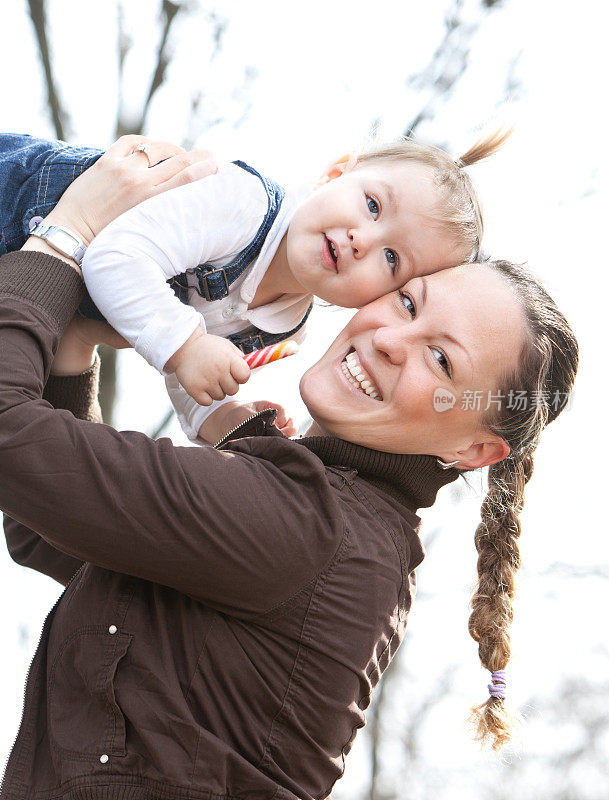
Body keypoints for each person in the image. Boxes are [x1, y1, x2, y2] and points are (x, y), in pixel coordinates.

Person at [0, 143, 577, 800]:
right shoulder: (340, 523)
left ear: (474, 451)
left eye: (442, 362)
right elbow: (53, 537)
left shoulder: (312, 527)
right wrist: (75, 347)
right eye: (409, 303)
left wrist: (62, 239)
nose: (391, 340)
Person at [0, 129, 508, 444]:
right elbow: (114, 256)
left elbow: (189, 374)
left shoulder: (289, 330)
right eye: (372, 206)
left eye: (392, 258)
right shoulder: (243, 205)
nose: (362, 240)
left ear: (380, 298)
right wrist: (187, 347)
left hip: (31, 288)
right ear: (335, 174)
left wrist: (223, 418)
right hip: (19, 202)